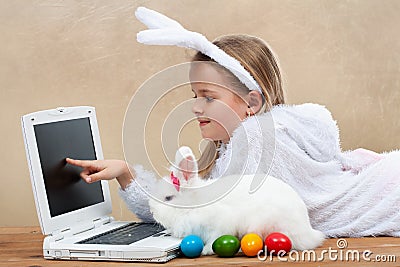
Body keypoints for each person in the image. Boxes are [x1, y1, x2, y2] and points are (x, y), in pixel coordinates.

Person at [67, 7, 400, 238]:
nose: (196, 107)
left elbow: (195, 218)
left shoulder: (258, 140)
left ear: (251, 102)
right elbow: (180, 212)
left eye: (209, 97)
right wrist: (126, 174)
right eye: (195, 94)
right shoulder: (228, 144)